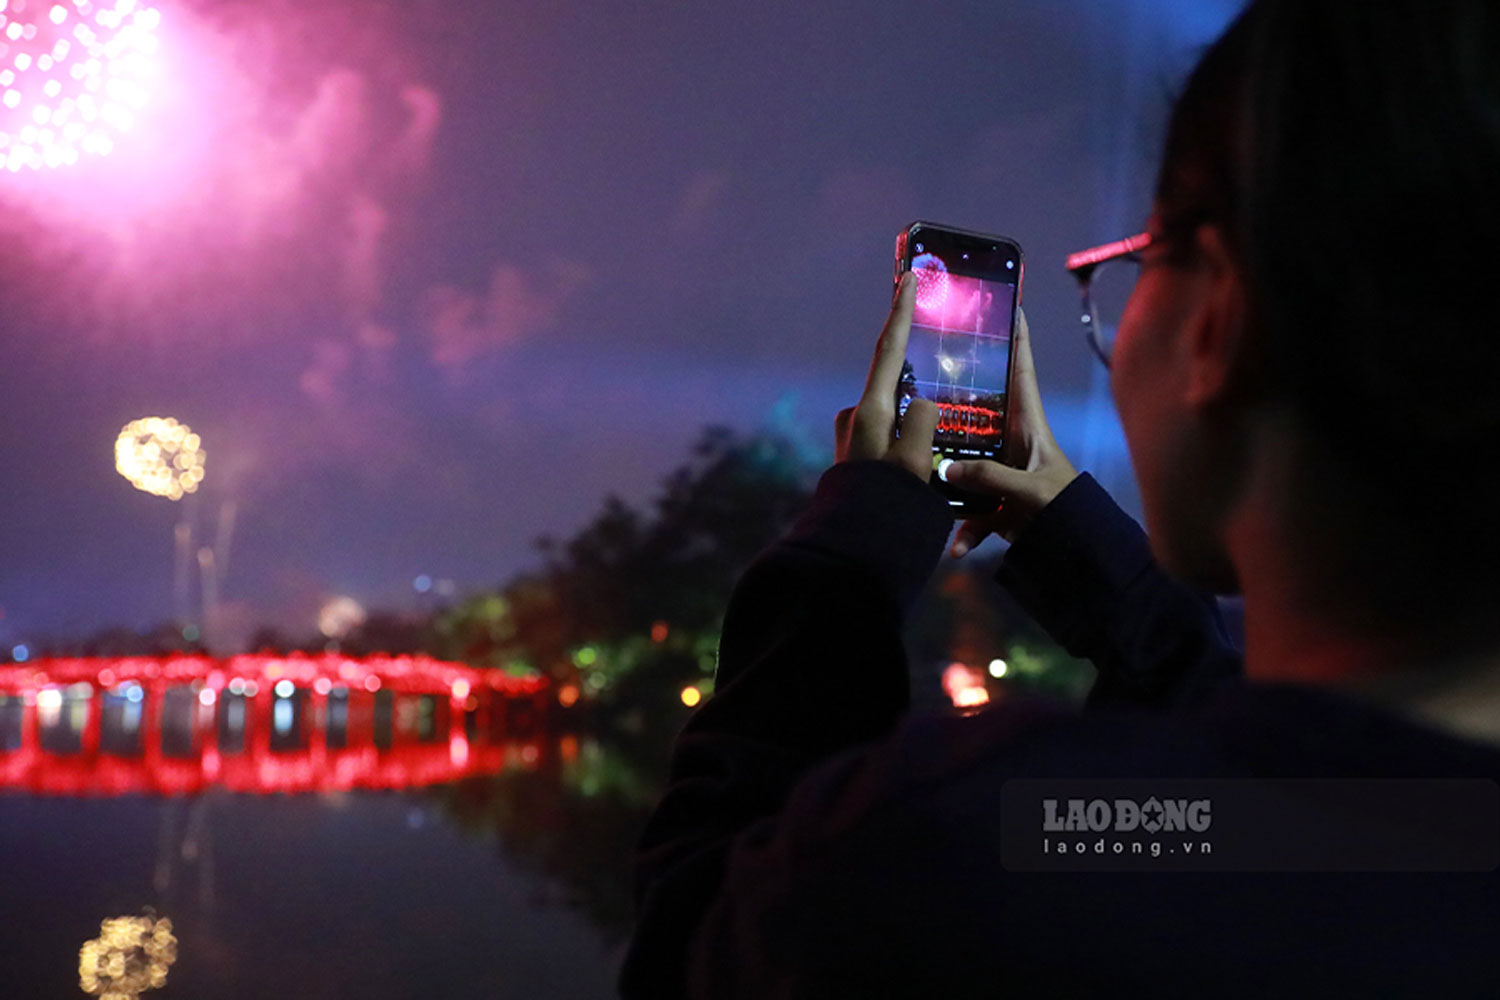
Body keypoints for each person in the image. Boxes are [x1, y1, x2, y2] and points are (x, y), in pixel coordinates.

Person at [619, 0, 1500, 995]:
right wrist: (1082, 547)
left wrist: (851, 556)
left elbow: (691, 942)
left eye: (1132, 267)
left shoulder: (975, 845)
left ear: (1219, 318)